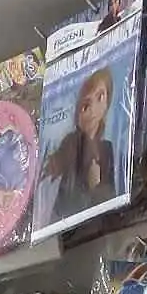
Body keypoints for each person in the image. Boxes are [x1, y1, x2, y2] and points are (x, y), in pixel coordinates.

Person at [43, 66, 117, 227]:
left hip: (105, 226)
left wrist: (97, 188)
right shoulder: (69, 147)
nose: (93, 110)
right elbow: (63, 207)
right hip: (73, 229)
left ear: (107, 102)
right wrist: (92, 186)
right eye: (85, 105)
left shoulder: (107, 149)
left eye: (100, 98)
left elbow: (113, 200)